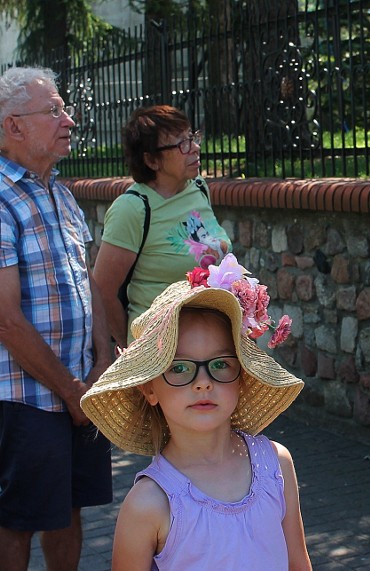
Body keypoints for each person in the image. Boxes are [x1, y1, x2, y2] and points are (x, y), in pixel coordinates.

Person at [81, 254, 310, 570]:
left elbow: (298, 563)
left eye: (220, 364)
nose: (203, 382)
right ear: (149, 389)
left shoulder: (275, 465)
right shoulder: (149, 504)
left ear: (241, 377)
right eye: (179, 368)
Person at [0, 66, 113, 571]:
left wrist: (103, 362)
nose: (69, 120)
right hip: (26, 398)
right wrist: (72, 392)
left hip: (80, 389)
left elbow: (88, 281)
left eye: (65, 108)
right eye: (55, 111)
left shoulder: (60, 191)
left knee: (68, 510)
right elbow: (5, 320)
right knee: (16, 520)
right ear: (14, 126)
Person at [92, 104, 231, 348]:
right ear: (152, 160)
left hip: (206, 341)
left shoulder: (198, 187)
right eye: (182, 144)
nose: (195, 148)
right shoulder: (133, 209)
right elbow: (102, 292)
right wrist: (134, 346)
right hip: (158, 350)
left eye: (193, 137)